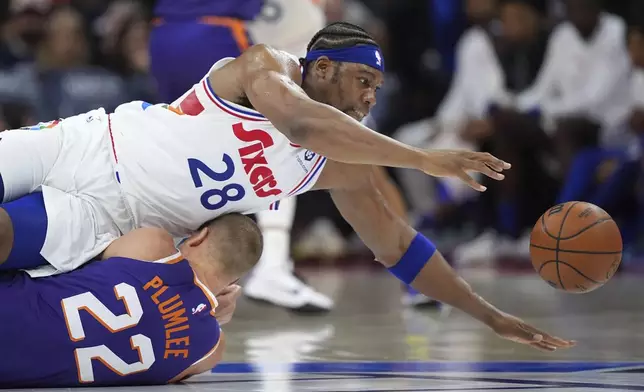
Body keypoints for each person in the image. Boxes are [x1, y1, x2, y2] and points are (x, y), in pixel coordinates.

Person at [0, 22, 573, 350]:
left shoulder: (338, 162)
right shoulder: (264, 66)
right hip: (86, 144)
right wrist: (422, 158)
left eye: (378, 86)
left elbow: (396, 246)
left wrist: (487, 314)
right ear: (321, 69)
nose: (371, 98)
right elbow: (299, 123)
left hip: (111, 218)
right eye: (363, 81)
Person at [0, 213, 261, 388]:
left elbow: (70, 253)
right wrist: (210, 311)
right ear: (233, 281)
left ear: (199, 237)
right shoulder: (211, 350)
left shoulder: (153, 247)